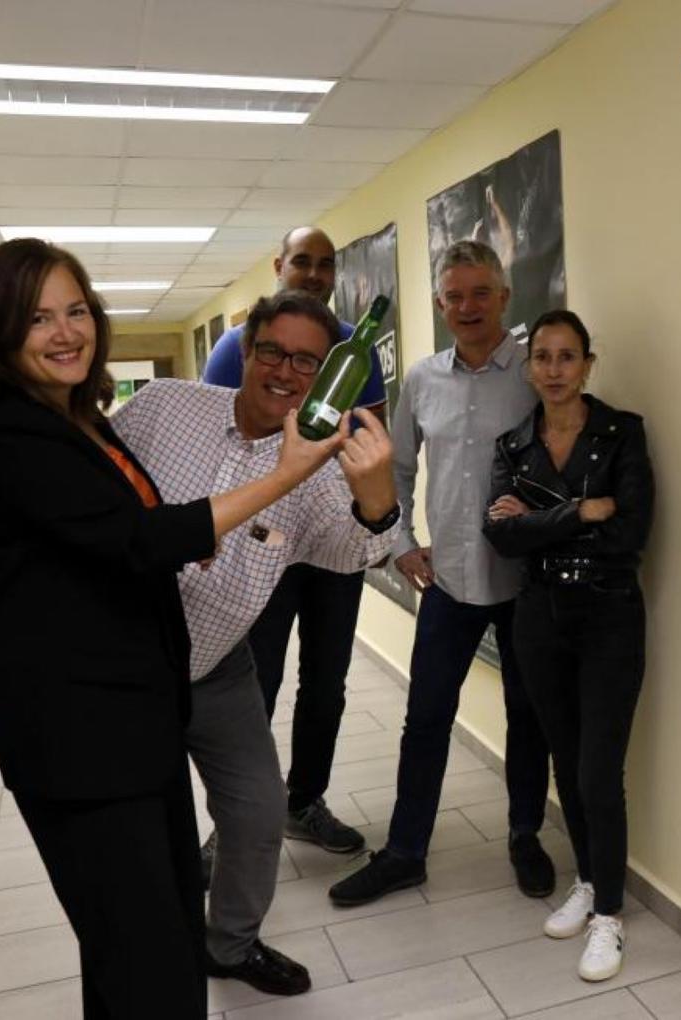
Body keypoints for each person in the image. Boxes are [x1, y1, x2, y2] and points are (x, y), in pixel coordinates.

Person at [0, 240, 345, 1019]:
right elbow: (142, 540)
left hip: (140, 718)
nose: (66, 332)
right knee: (146, 960)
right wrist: (285, 474)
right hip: (79, 737)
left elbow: (125, 533)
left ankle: (225, 943)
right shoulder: (5, 436)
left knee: (151, 941)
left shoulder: (75, 418)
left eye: (74, 311)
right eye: (37, 318)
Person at [113, 289, 400, 997]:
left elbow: (353, 552)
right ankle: (147, 949)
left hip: (216, 667)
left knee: (257, 809)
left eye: (307, 361)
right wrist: (163, 529)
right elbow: (101, 486)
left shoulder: (323, 468)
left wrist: (377, 501)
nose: (285, 372)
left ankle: (230, 944)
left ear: (326, 371)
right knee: (142, 828)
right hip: (127, 666)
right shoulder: (163, 408)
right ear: (246, 349)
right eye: (272, 351)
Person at [327, 240, 554, 907]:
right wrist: (401, 543)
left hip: (523, 583)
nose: (467, 307)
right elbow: (392, 469)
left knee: (528, 717)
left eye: (480, 293)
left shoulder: (531, 375)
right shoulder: (423, 379)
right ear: (439, 303)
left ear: (504, 298)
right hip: (449, 584)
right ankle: (404, 852)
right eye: (454, 296)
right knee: (425, 719)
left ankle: (523, 834)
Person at [201, 226, 387, 858]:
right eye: (301, 262)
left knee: (327, 682)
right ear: (279, 265)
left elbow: (375, 441)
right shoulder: (237, 346)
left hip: (333, 538)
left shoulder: (354, 351)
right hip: (264, 539)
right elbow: (217, 441)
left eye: (325, 265)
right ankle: (231, 826)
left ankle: (305, 802)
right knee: (257, 681)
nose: (313, 273)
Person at [482, 309, 654, 982]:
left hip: (609, 615)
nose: (554, 369)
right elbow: (502, 536)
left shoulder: (621, 434)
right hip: (540, 617)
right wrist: (581, 511)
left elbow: (631, 532)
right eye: (543, 357)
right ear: (530, 368)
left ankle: (608, 915)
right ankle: (585, 879)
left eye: (567, 357)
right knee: (562, 757)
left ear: (588, 363)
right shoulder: (512, 444)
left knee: (597, 772)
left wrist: (539, 522)